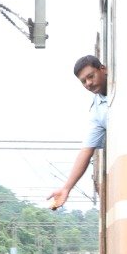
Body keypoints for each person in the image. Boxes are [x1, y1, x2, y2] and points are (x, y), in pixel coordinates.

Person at [47, 55, 110, 211]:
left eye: (91, 76)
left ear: (103, 69)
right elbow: (86, 151)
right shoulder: (97, 110)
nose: (88, 83)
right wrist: (66, 188)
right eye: (83, 81)